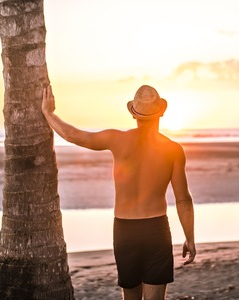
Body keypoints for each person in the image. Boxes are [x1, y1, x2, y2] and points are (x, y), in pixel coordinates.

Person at [42, 84, 196, 300]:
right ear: (162, 110)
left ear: (133, 113)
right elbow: (183, 200)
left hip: (125, 231)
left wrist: (49, 113)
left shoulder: (117, 139)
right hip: (156, 229)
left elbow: (74, 135)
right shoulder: (173, 149)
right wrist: (190, 238)